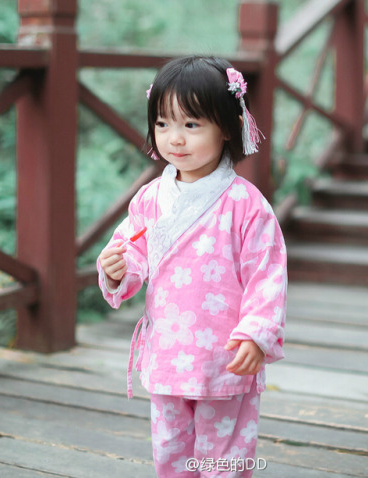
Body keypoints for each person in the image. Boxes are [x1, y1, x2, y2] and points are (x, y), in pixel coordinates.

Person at [97, 55, 287, 477]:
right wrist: (116, 269)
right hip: (168, 351)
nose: (174, 139)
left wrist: (257, 334)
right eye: (163, 124)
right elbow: (132, 253)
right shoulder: (150, 199)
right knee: (170, 452)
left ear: (228, 126)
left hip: (225, 354)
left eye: (191, 124)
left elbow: (267, 275)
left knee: (226, 453)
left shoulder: (246, 205)